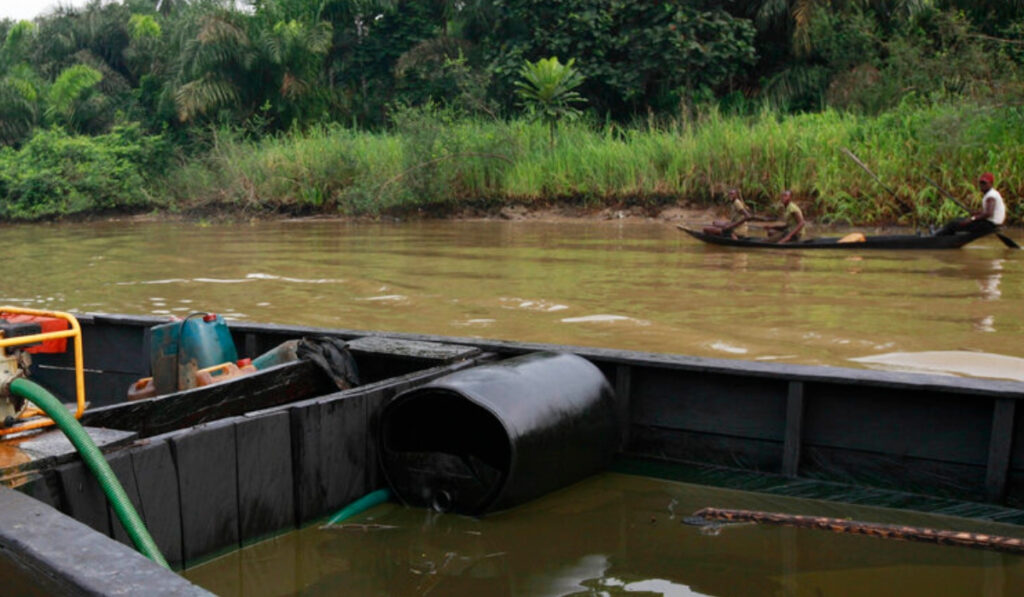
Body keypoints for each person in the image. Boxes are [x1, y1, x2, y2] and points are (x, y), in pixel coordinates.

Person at [934, 172, 1006, 236]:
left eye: (984, 183)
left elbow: (988, 213)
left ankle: (936, 236)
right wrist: (975, 212)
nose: (982, 185)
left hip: (990, 224)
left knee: (953, 224)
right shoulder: (992, 193)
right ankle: (942, 235)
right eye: (981, 183)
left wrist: (972, 219)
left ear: (991, 184)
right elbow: (987, 211)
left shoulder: (991, 196)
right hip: (989, 222)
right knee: (957, 220)